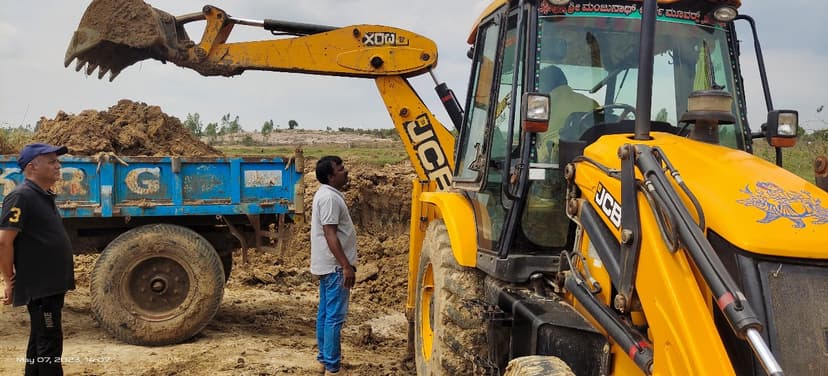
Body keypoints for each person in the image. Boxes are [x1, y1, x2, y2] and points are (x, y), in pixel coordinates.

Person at [0, 143, 75, 376]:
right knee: (49, 348)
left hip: (50, 287)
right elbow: (4, 242)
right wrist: (8, 280)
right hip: (41, 288)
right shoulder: (21, 196)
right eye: (51, 161)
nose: (58, 165)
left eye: (57, 161)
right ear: (33, 166)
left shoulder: (42, 196)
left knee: (39, 344)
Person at [311, 155, 357, 376]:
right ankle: (332, 367)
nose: (346, 171)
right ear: (330, 176)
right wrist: (346, 266)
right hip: (335, 267)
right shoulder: (329, 198)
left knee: (326, 314)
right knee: (334, 317)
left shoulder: (326, 194)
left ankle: (324, 361)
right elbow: (330, 234)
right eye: (341, 169)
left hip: (328, 266)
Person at [536, 65, 599, 163]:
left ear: (545, 85)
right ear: (564, 82)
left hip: (554, 163)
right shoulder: (593, 103)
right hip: (590, 162)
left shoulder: (541, 105)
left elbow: (530, 139)